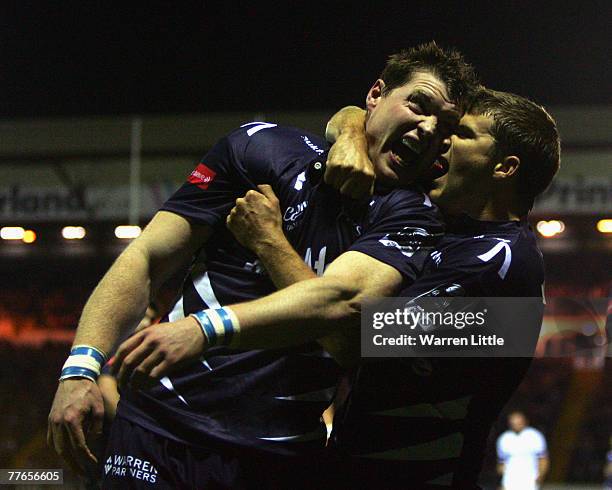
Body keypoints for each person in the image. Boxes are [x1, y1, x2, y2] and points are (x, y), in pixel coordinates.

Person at [48, 42, 478, 488]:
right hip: (157, 431)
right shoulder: (261, 147)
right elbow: (148, 257)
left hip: (275, 456)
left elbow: (347, 321)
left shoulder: (417, 217)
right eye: (419, 105)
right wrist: (80, 366)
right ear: (375, 95)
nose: (429, 128)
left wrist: (265, 247)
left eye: (446, 126)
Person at [121, 86, 559, 488]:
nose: (440, 142)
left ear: (504, 168)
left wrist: (270, 245)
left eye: (460, 134)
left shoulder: (506, 270)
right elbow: (367, 124)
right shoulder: (447, 225)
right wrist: (351, 129)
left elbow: (354, 340)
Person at [497, 411, 549, 490]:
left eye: (519, 422)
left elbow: (543, 459)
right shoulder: (504, 438)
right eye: (513, 422)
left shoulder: (534, 436)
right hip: (510, 479)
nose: (516, 425)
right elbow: (501, 462)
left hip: (529, 479)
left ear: (525, 421)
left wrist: (540, 476)